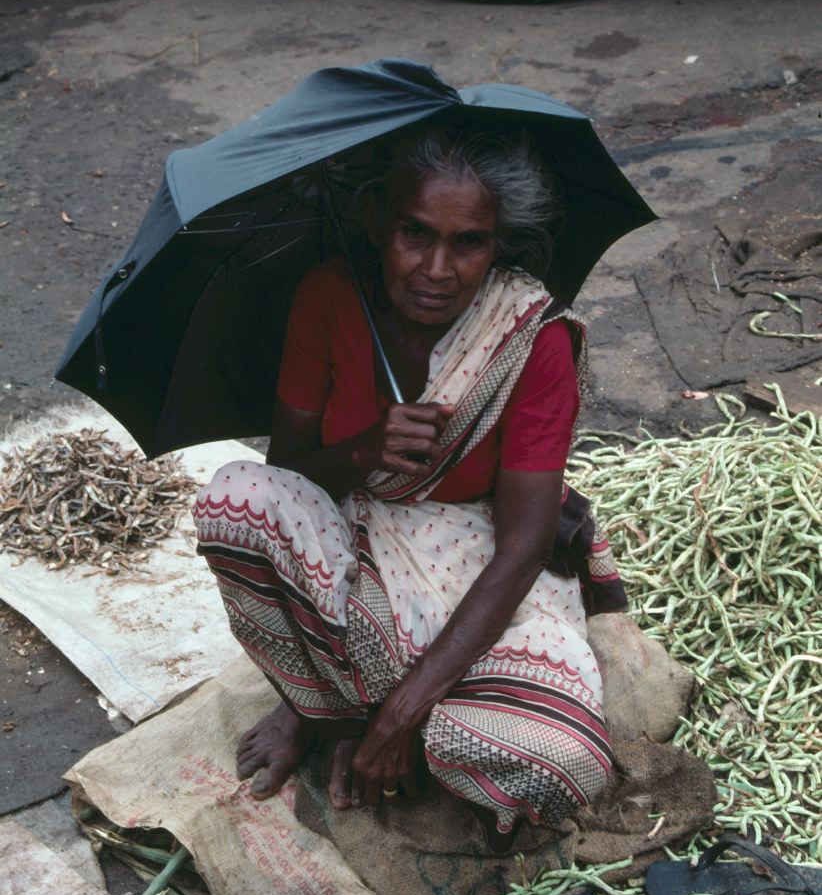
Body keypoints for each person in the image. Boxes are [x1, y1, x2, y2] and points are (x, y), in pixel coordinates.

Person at [193, 124, 623, 854]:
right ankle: (324, 713)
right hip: (361, 547)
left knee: (564, 763)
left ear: (500, 245)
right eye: (413, 233)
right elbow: (290, 472)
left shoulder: (532, 337)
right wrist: (362, 451)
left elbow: (522, 550)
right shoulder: (330, 296)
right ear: (376, 223)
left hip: (481, 574)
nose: (436, 268)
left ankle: (371, 719)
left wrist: (402, 714)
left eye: (469, 243)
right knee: (235, 499)